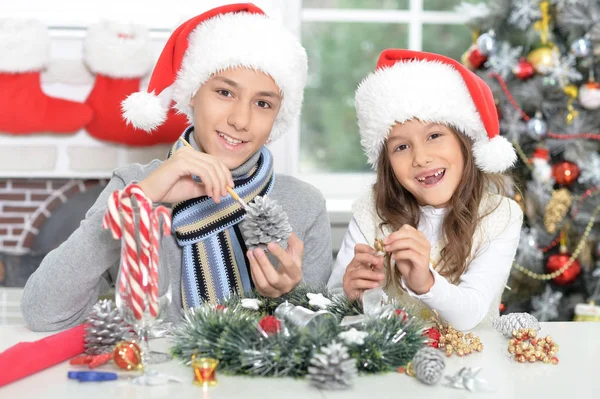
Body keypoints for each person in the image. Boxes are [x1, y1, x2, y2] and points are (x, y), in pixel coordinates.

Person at [22, 3, 332, 331]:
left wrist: (288, 295)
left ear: (278, 116)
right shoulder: (134, 186)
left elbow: (316, 341)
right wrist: (141, 199)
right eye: (225, 92)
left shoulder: (304, 205)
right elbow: (43, 313)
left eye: (263, 103)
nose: (240, 120)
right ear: (193, 94)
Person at [328, 49, 523, 331]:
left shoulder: (499, 216)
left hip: (474, 365)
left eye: (434, 136)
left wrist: (425, 283)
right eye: (401, 147)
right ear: (387, 163)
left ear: (465, 141)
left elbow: (472, 313)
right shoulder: (371, 211)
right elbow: (332, 301)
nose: (420, 158)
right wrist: (349, 293)